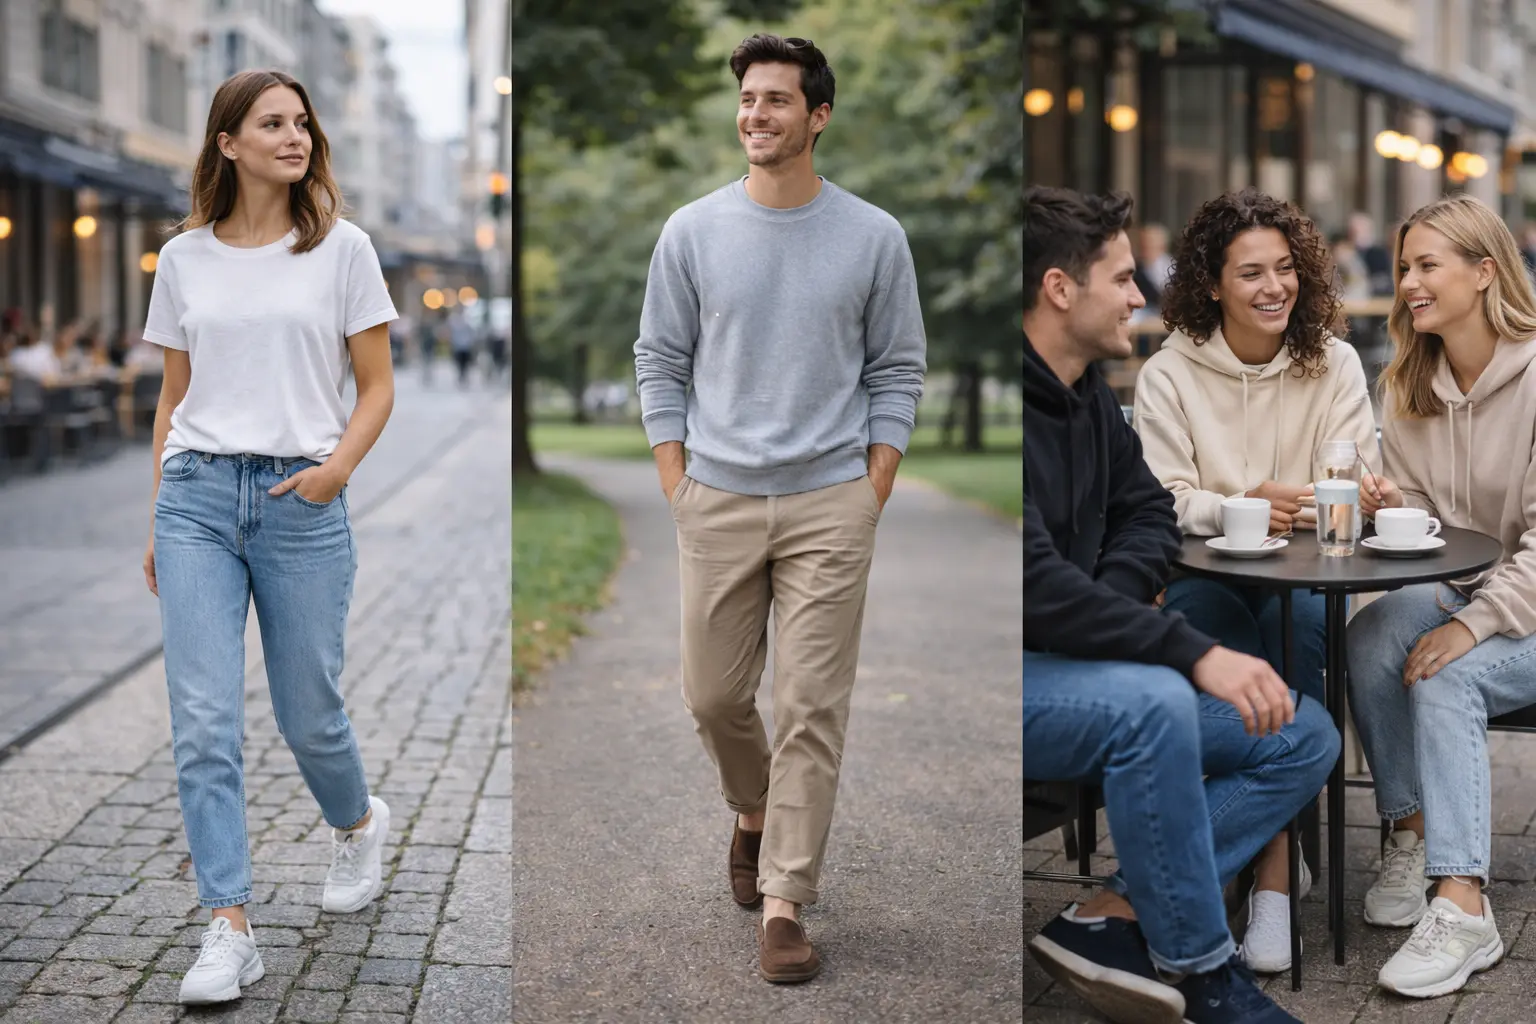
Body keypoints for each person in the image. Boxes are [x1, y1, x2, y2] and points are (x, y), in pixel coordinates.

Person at [633, 32, 926, 984]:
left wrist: (872, 485)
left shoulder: (874, 235)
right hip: (714, 495)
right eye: (748, 99)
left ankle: (784, 903)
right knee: (713, 696)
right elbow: (660, 360)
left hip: (830, 501)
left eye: (776, 100)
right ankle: (753, 814)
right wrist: (676, 481)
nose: (755, 114)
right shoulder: (692, 230)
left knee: (810, 705)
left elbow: (897, 367)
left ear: (818, 116)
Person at [1024, 185, 1336, 1024]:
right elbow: (1037, 583)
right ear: (1061, 289)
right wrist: (1174, 643)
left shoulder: (1088, 392)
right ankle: (1206, 974)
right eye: (1124, 278)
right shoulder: (1073, 398)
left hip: (1090, 643)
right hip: (1033, 668)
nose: (1138, 294)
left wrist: (1112, 602)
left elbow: (1147, 511)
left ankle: (1114, 909)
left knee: (1305, 729)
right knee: (1165, 691)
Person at [140, 69, 397, 1006]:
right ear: (228, 143)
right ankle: (227, 926)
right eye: (271, 123)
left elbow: (376, 387)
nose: (294, 136)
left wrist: (334, 473)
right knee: (204, 723)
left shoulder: (343, 251)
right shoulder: (183, 260)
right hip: (198, 496)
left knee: (308, 714)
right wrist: (158, 513)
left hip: (301, 500)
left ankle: (358, 820)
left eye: (301, 123)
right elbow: (174, 395)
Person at [1131, 189, 1377, 971]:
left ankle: (1266, 874)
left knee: (1303, 627)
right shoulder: (1169, 373)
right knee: (1219, 641)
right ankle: (1277, 867)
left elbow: (1347, 483)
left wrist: (1268, 504)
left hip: (1306, 576)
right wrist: (1245, 502)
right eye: (1249, 274)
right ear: (1211, 283)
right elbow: (1160, 505)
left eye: (1284, 269)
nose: (1274, 288)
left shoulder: (1334, 362)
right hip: (1204, 576)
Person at [1346, 193, 1536, 998]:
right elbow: (1442, 529)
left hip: (1520, 602)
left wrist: (1475, 626)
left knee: (1448, 674)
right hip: (1471, 591)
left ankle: (1463, 904)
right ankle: (1413, 836)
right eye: (1403, 268)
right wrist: (1396, 511)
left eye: (1428, 266)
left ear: (1484, 271)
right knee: (1375, 633)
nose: (1409, 284)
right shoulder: (1410, 385)